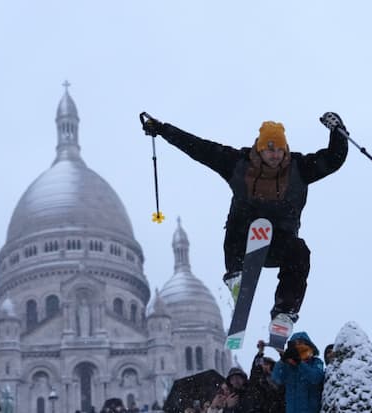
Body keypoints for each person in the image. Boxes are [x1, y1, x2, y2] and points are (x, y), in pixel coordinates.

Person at [141, 112, 348, 332]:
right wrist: (163, 130)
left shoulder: (299, 168)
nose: (275, 155)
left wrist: (338, 131)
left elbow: (333, 159)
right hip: (245, 241)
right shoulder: (238, 164)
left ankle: (284, 313)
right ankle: (235, 275)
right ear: (259, 148)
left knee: (300, 251)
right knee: (240, 213)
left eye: (279, 149)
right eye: (270, 149)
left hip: (278, 244)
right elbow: (199, 148)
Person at [271, 331, 324, 413]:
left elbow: (316, 378)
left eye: (301, 342)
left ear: (308, 344)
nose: (298, 346)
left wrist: (299, 363)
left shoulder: (316, 362)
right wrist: (282, 360)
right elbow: (276, 379)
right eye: (294, 344)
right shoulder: (288, 365)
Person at [249, 340, 285, 413]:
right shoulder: (258, 382)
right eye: (263, 364)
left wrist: (281, 352)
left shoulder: (281, 380)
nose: (265, 367)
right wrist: (260, 352)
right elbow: (254, 371)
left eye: (267, 364)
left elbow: (286, 365)